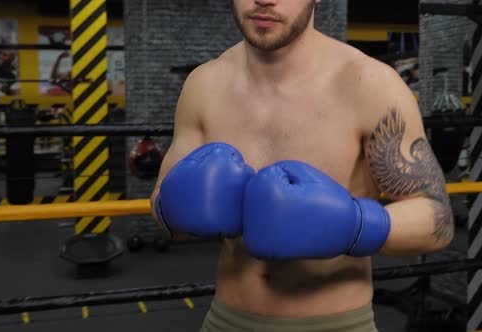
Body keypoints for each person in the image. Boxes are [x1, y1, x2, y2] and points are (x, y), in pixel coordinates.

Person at [151, 1, 454, 331]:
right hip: (226, 320)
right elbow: (161, 204)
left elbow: (435, 218)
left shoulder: (368, 84)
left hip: (335, 324)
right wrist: (174, 206)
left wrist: (355, 226)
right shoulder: (204, 85)